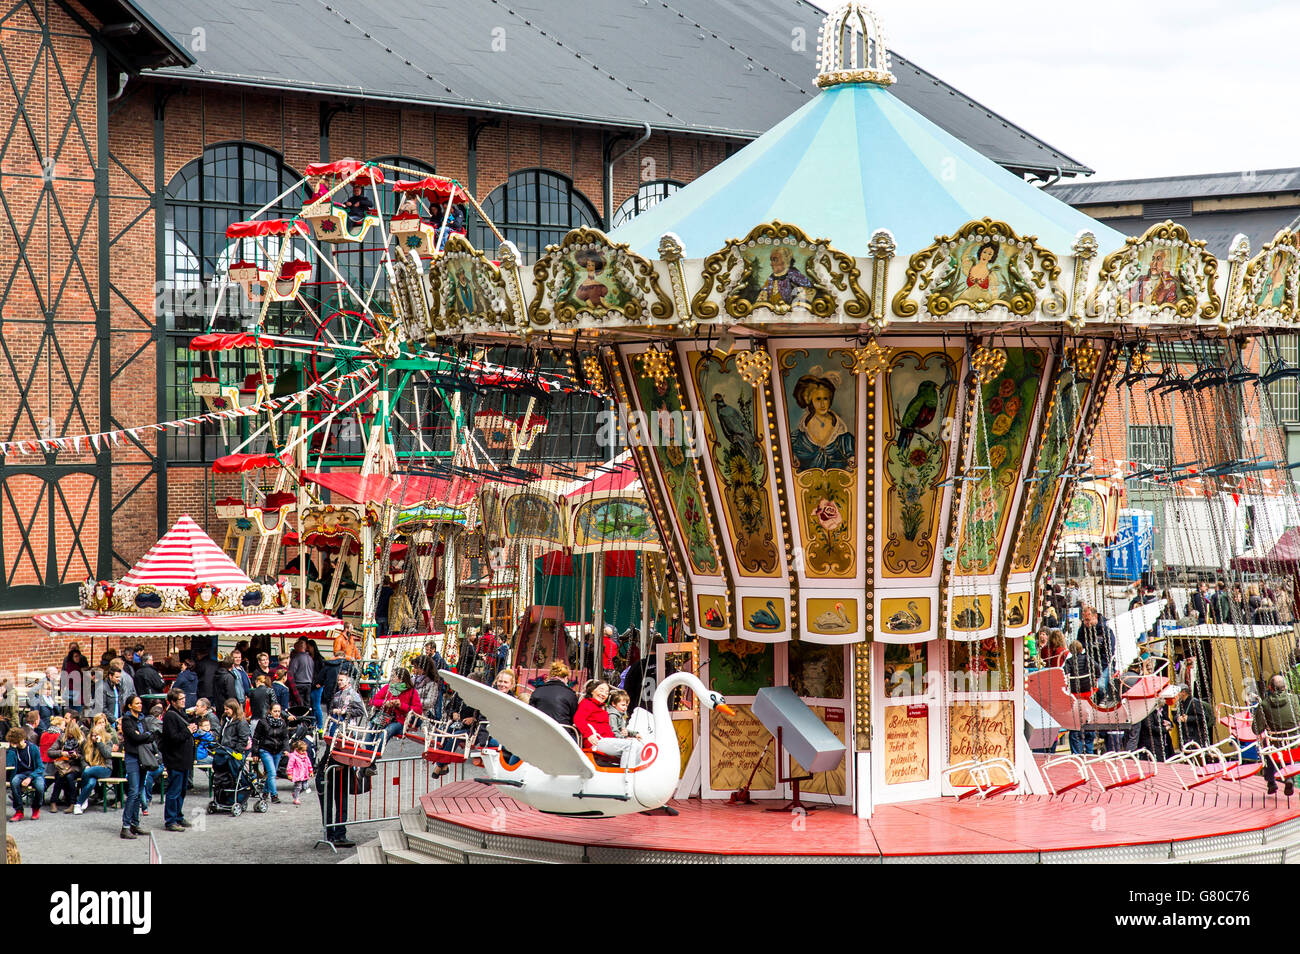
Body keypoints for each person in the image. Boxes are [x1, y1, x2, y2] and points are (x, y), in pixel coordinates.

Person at [118, 693, 158, 839]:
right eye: (137, 703)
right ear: (130, 705)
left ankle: (135, 824)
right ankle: (125, 826)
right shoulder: (127, 720)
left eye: (140, 703)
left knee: (139, 790)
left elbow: (151, 735)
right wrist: (144, 735)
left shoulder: (143, 719)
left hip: (143, 757)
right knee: (134, 791)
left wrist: (143, 735)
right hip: (132, 757)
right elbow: (134, 737)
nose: (140, 705)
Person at [1253, 674, 1300, 795]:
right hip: (1294, 743)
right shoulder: (1294, 699)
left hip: (1275, 745)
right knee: (1288, 747)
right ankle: (1289, 777)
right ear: (1284, 687)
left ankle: (1271, 781)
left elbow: (1256, 729)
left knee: (1267, 745)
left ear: (1270, 688)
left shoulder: (1264, 704)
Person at [160, 687, 196, 832]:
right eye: (181, 699)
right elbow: (173, 738)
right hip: (175, 759)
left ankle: (178, 816)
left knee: (182, 790)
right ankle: (171, 820)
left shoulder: (181, 713)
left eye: (184, 698)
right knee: (174, 791)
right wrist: (188, 731)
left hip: (184, 758)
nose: (184, 701)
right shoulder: (170, 716)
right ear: (173, 702)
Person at [370, 667, 422, 742]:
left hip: (400, 721)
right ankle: (371, 752)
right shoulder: (387, 688)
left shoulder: (411, 692)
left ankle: (377, 752)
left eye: (393, 676)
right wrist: (385, 703)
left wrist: (401, 705)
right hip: (385, 717)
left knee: (386, 732)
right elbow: (372, 701)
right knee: (371, 728)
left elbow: (418, 710)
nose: (391, 678)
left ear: (401, 679)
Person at [1076, 606, 1117, 701]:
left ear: (1095, 617)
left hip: (1104, 662)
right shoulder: (1083, 629)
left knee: (1100, 686)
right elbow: (1079, 643)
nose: (1086, 622)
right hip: (1089, 661)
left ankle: (1103, 699)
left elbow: (1109, 652)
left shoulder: (1106, 631)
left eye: (1088, 620)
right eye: (1084, 620)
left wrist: (1099, 668)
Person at [6, 725, 45, 821]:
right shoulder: (14, 750)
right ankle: (19, 810)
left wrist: (30, 777)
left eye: (17, 742)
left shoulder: (33, 748)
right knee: (14, 782)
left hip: (34, 773)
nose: (16, 745)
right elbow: (9, 764)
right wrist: (12, 749)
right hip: (20, 773)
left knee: (40, 786)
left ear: (23, 738)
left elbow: (40, 767)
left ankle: (36, 808)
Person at [1063, 640, 1095, 755]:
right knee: (1089, 724)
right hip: (1087, 693)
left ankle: (1076, 753)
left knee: (1075, 725)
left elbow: (1064, 674)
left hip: (1075, 694)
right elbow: (1097, 669)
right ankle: (1090, 751)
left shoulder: (1069, 662)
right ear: (1082, 649)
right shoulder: (1088, 659)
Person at [254, 702, 289, 803]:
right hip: (265, 750)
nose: (277, 713)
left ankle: (265, 792)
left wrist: (286, 749)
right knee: (272, 773)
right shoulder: (263, 722)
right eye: (275, 711)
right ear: (270, 711)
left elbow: (285, 738)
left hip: (277, 751)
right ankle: (274, 795)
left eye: (279, 711)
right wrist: (255, 753)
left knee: (271, 773)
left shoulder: (282, 723)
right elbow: (256, 738)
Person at [48, 719, 85, 809]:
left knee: (69, 777)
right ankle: (53, 802)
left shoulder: (82, 741)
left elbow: (86, 756)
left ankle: (73, 803)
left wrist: (77, 756)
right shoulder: (62, 738)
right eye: (69, 733)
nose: (70, 736)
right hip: (63, 765)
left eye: (72, 734)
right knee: (59, 776)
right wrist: (61, 753)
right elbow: (50, 752)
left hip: (75, 766)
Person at [529, 660, 578, 727]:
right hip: (562, 731)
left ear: (550, 676)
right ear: (566, 678)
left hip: (540, 729)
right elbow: (574, 717)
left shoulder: (537, 691)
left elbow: (531, 713)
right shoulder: (570, 694)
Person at [138, 703, 166, 814]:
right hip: (157, 758)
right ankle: (147, 799)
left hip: (144, 757)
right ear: (160, 715)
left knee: (144, 775)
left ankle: (145, 799)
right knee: (148, 774)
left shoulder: (142, 722)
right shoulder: (159, 724)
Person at [1170, 684, 1212, 750]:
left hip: (1195, 737)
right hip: (1185, 737)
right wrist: (1178, 718)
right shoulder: (1181, 703)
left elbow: (1204, 717)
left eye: (1177, 692)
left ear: (1183, 692)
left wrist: (1188, 719)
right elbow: (1175, 718)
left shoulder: (1194, 702)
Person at [288, 637, 315, 710]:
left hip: (298, 684)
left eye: (295, 647)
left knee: (298, 707)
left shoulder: (296, 658)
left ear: (298, 647)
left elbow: (290, 673)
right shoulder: (310, 658)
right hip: (308, 685)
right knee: (307, 706)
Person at [287, 739, 312, 806]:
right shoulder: (293, 756)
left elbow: (309, 763)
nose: (304, 752)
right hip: (297, 774)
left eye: (305, 750)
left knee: (305, 787)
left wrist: (311, 770)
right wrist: (289, 774)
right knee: (298, 787)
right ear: (297, 749)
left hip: (304, 774)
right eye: (302, 751)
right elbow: (290, 765)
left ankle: (295, 794)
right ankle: (296, 798)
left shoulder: (305, 756)